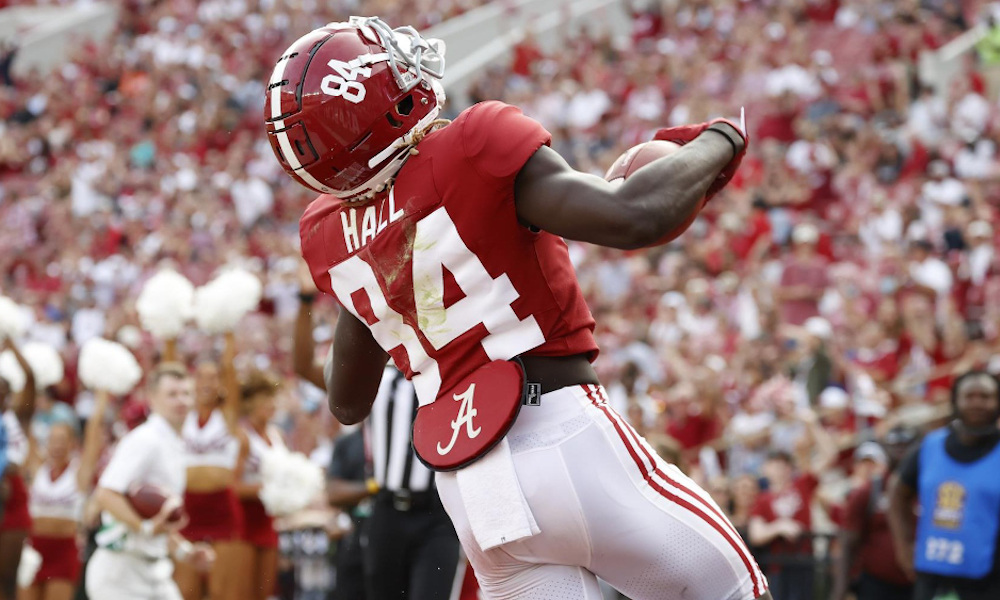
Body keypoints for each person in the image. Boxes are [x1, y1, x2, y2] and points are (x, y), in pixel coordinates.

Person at [269, 16, 769, 600]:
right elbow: (635, 215)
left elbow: (347, 400)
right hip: (565, 436)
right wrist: (721, 138)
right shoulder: (473, 143)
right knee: (737, 589)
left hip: (472, 491)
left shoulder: (327, 231)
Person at [86, 363, 214, 600]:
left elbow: (156, 518)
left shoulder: (174, 442)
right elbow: (106, 493)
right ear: (152, 398)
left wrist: (186, 552)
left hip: (154, 570)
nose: (181, 401)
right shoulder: (146, 439)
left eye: (186, 393)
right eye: (172, 394)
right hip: (120, 572)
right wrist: (143, 527)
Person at [888, 370, 1000, 600]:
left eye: (986, 396)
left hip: (988, 580)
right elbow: (897, 493)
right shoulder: (930, 445)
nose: (977, 403)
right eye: (970, 396)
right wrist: (904, 548)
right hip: (933, 576)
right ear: (955, 401)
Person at [175, 335, 244, 600]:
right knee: (186, 591)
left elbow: (230, 372)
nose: (207, 382)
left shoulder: (227, 415)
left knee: (220, 592)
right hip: (187, 506)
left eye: (213, 377)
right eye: (201, 376)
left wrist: (228, 335)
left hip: (221, 506)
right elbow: (171, 367)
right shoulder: (182, 415)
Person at [20, 391, 107, 600]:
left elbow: (93, 435)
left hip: (64, 550)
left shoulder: (78, 473)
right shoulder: (37, 467)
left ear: (72, 444)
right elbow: (26, 423)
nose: (57, 446)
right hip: (33, 548)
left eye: (62, 441)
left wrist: (103, 395)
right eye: (52, 440)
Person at [830, 430, 917, 600]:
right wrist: (840, 590)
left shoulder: (928, 489)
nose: (900, 451)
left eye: (906, 446)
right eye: (895, 446)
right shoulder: (868, 492)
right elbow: (848, 542)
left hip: (918, 583)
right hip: (877, 584)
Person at [233, 370, 283, 600]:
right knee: (243, 593)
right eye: (265, 399)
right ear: (250, 403)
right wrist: (269, 490)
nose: (271, 404)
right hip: (244, 520)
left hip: (268, 520)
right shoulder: (241, 436)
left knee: (265, 593)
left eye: (273, 398)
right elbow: (232, 486)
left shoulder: (276, 434)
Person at [1, 340, 35, 600]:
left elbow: (30, 377)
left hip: (13, 497)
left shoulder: (18, 417)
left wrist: (11, 344)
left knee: (9, 577)